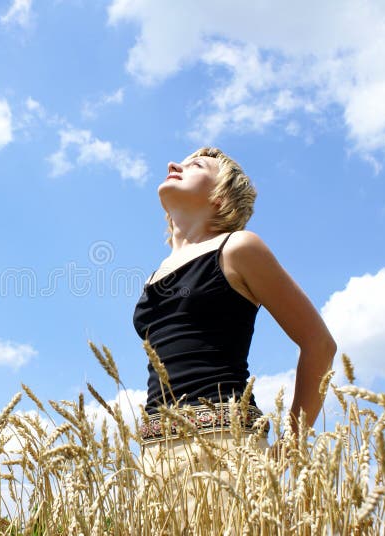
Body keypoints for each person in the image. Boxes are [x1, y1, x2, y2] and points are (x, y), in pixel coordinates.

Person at [132, 146, 337, 522]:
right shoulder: (154, 275)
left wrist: (292, 442)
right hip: (153, 455)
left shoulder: (238, 247)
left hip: (223, 449)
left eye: (194, 165)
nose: (173, 165)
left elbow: (319, 344)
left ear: (220, 195)